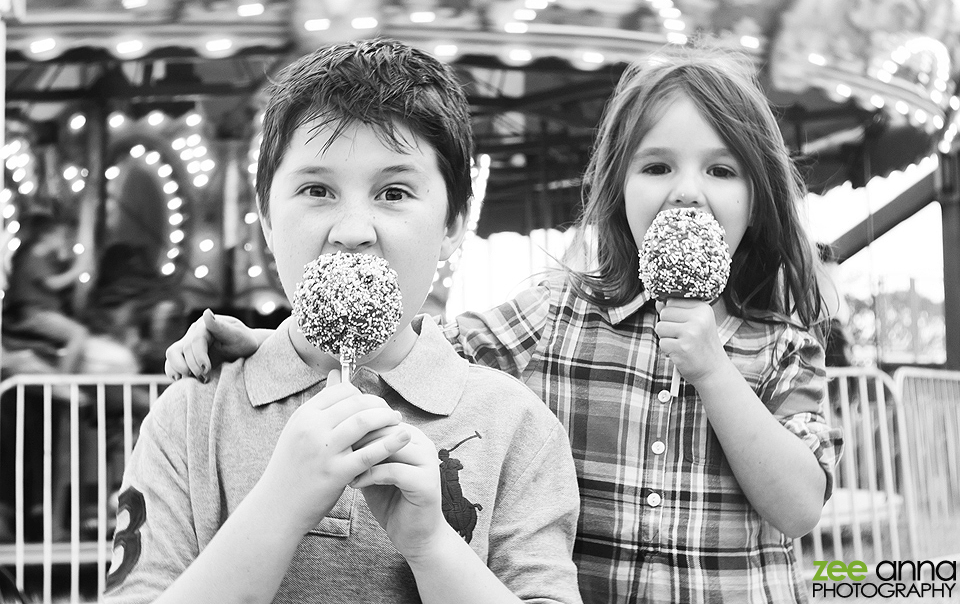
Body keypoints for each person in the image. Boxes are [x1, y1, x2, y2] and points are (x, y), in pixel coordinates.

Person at [166, 46, 843, 603]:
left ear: (757, 198)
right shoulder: (559, 313)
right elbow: (418, 351)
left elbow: (800, 506)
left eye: (721, 169)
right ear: (617, 188)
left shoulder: (784, 345)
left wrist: (712, 368)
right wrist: (280, 348)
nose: (687, 190)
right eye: (658, 166)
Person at [106, 39, 582, 604]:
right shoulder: (191, 414)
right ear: (266, 221)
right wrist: (281, 502)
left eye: (394, 191)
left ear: (453, 224)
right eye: (316, 190)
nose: (353, 230)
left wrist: (431, 545)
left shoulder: (515, 426)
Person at [3, 208, 91, 373]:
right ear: (46, 235)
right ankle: (62, 379)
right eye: (59, 235)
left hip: (39, 312)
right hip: (35, 314)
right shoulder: (32, 257)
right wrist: (77, 270)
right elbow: (53, 284)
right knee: (78, 333)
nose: (62, 240)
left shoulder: (40, 258)